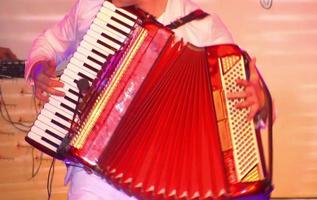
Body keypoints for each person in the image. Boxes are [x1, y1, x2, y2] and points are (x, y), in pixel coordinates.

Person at [25, 0, 271, 199]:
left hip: (173, 175)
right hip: (93, 172)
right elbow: (47, 43)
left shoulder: (204, 27)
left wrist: (258, 103)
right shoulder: (90, 8)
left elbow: (244, 101)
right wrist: (38, 70)